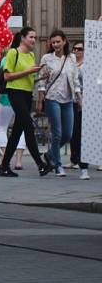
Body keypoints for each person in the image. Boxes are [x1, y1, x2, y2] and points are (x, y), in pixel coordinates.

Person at [0, 28, 53, 177]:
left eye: (35, 37)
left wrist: (40, 77)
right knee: (28, 127)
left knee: (16, 132)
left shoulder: (31, 55)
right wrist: (28, 71)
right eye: (31, 37)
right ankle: (41, 165)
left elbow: (28, 79)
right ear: (22, 38)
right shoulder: (13, 53)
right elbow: (8, 76)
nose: (34, 40)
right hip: (15, 93)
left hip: (27, 93)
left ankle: (3, 166)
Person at [37, 30, 81, 177]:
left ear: (64, 41)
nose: (55, 44)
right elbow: (41, 80)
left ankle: (50, 154)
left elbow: (75, 79)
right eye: (53, 42)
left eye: (58, 41)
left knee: (67, 134)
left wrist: (79, 96)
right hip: (52, 97)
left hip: (68, 99)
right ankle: (58, 165)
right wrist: (40, 97)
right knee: (57, 133)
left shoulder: (71, 58)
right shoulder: (46, 58)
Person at [69, 41, 89, 179]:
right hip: (71, 100)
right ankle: (74, 159)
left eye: (80, 49)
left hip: (84, 102)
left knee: (82, 132)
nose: (77, 51)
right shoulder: (70, 64)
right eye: (74, 49)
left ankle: (83, 159)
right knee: (73, 132)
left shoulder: (87, 66)